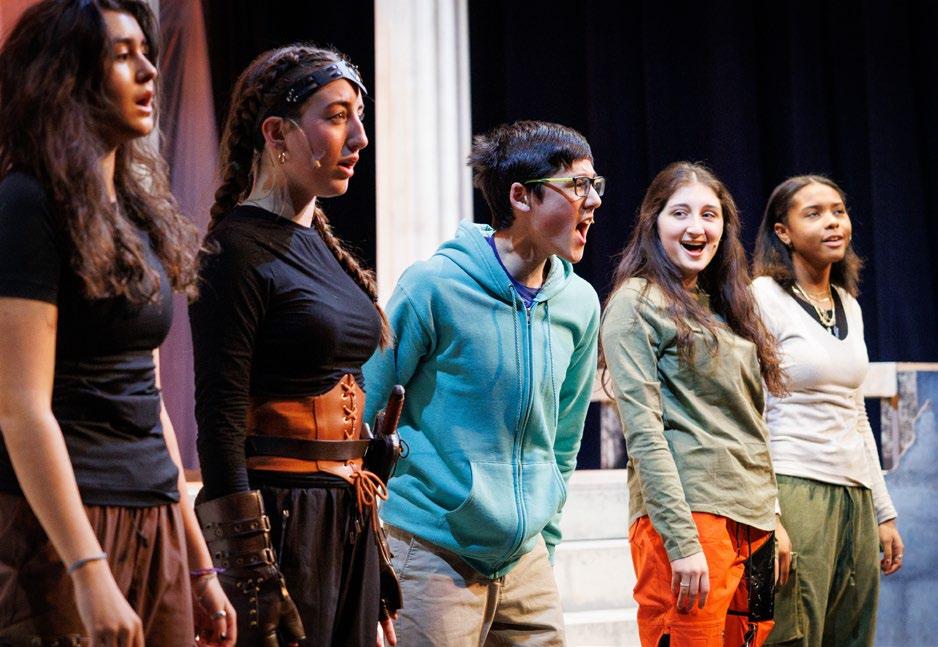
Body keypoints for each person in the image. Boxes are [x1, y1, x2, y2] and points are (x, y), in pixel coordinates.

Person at [0, 1, 235, 645]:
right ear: (67, 75)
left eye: (147, 54)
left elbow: (147, 401)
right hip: (66, 524)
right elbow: (21, 408)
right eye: (122, 55)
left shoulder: (135, 213)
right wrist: (88, 568)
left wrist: (199, 564)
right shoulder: (27, 204)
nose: (149, 71)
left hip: (154, 516)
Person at [189, 44, 399, 646]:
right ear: (277, 133)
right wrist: (248, 569)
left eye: (359, 117)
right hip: (281, 522)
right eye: (336, 117)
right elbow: (220, 422)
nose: (359, 138)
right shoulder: (235, 250)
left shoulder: (323, 247)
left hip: (345, 519)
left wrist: (374, 558)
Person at [362, 120, 601, 646]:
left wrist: (546, 541)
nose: (594, 201)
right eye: (578, 185)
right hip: (432, 550)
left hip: (525, 560)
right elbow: (364, 406)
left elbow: (564, 437)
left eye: (595, 185)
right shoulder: (434, 286)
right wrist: (365, 539)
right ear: (521, 196)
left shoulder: (579, 304)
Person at [600, 161, 787, 647]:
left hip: (753, 519)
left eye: (709, 214)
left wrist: (772, 515)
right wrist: (681, 542)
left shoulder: (726, 305)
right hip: (690, 518)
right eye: (680, 213)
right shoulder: (636, 303)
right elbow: (643, 433)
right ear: (654, 222)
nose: (696, 227)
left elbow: (749, 423)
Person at [751, 175, 903, 647]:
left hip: (855, 492)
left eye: (838, 210)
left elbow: (856, 414)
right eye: (814, 214)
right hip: (795, 484)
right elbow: (751, 413)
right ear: (783, 232)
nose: (833, 222)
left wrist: (883, 511)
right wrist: (769, 515)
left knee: (854, 635)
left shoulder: (849, 305)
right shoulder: (761, 296)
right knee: (792, 633)